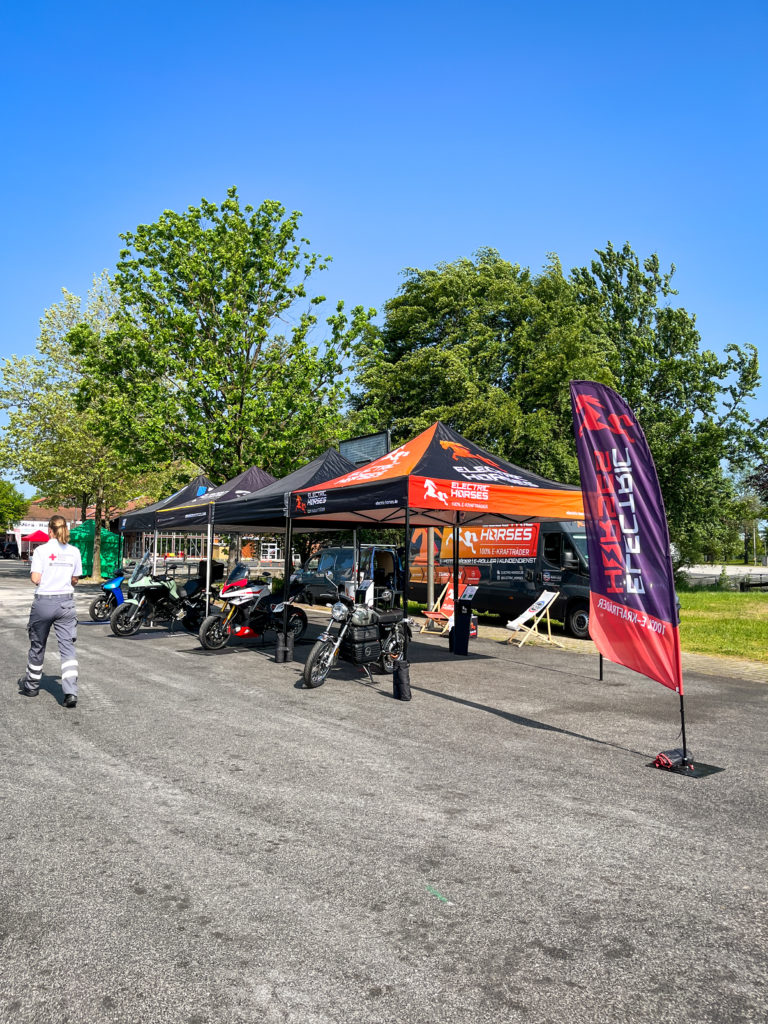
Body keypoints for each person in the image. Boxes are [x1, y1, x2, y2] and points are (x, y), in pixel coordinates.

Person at [18, 515, 82, 708]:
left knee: (37, 645)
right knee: (67, 649)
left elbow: (36, 578)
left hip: (44, 602)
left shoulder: (41, 551)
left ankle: (31, 686)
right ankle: (70, 692)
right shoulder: (74, 551)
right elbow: (75, 579)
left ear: (50, 530)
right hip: (66, 603)